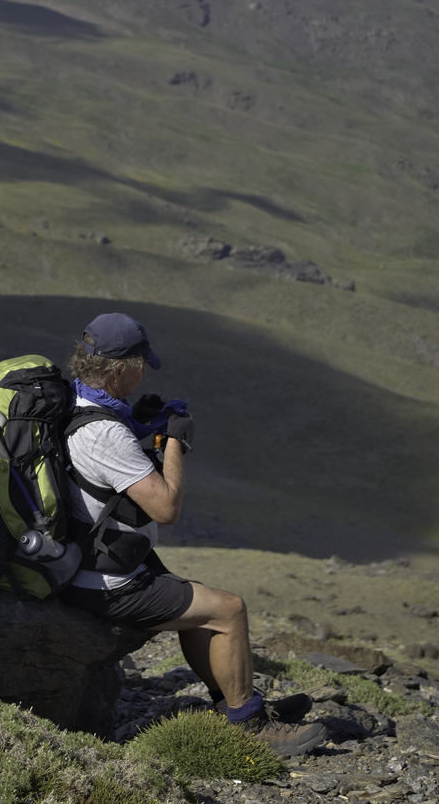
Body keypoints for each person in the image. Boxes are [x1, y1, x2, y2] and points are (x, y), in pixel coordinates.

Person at [59, 313, 327, 757]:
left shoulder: (77, 404)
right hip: (105, 584)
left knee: (197, 602)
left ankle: (235, 703)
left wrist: (142, 428)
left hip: (96, 560)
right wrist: (174, 443)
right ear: (121, 368)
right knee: (228, 610)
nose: (144, 372)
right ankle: (249, 726)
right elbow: (166, 508)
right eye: (141, 364)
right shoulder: (104, 433)